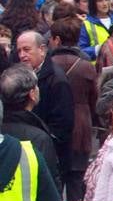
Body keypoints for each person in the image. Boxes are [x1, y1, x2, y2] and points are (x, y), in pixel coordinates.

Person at [45, 15, 97, 201]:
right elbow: (94, 100)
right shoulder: (86, 68)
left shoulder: (47, 66)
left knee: (53, 185)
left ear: (56, 39)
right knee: (77, 187)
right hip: (81, 128)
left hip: (53, 128)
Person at [14, 31, 73, 173]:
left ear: (42, 49)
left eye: (27, 50)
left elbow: (62, 125)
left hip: (47, 154)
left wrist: (42, 143)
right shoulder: (20, 74)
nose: (22, 55)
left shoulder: (57, 80)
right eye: (19, 51)